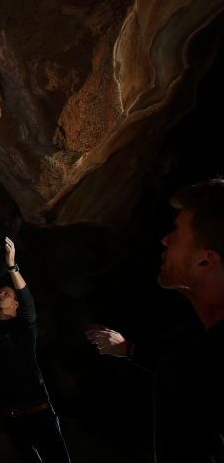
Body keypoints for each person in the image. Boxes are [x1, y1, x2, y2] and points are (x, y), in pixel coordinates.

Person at [85, 179, 224, 462]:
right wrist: (130, 351)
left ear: (205, 261)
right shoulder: (195, 364)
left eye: (177, 232)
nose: (166, 239)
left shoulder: (189, 372)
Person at [0, 237, 71, 462]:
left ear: (15, 304)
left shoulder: (25, 326)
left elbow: (28, 300)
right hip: (13, 416)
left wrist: (12, 266)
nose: (1, 294)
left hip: (40, 411)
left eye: (7, 294)